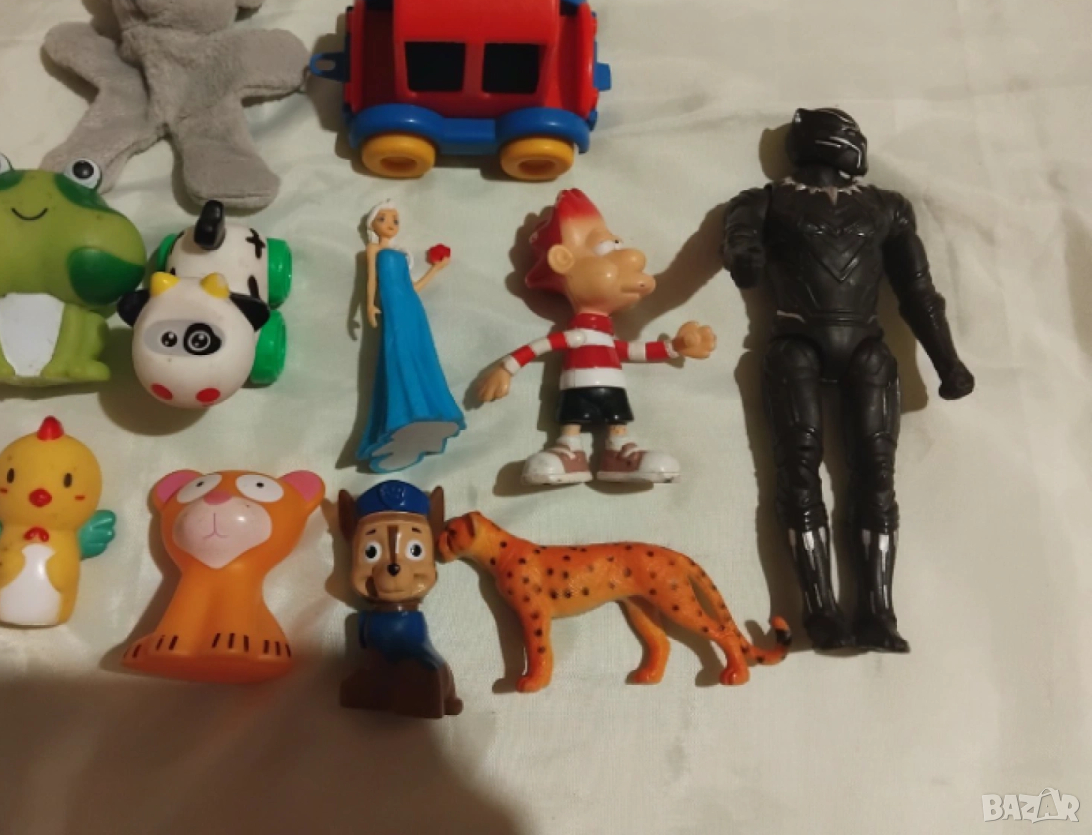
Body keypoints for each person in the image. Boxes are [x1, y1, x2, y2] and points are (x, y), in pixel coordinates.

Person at [722, 107, 975, 652]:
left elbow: (918, 291)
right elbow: (739, 242)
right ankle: (820, 609)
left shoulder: (887, 207)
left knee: (875, 476)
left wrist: (947, 361)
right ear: (835, 142)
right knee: (800, 471)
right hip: (797, 344)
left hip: (863, 346)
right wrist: (744, 256)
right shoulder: (765, 200)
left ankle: (878, 612)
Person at [479, 188, 716, 485]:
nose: (634, 257)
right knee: (572, 418)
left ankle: (618, 453)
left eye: (617, 245)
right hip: (576, 389)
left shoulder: (603, 338)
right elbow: (541, 346)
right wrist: (506, 369)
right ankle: (568, 450)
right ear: (563, 260)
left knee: (618, 421)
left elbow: (630, 350)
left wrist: (675, 346)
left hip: (612, 390)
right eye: (605, 248)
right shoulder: (576, 336)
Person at [356, 201, 464, 472]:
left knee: (420, 352)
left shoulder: (400, 256)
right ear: (372, 224)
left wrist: (435, 269)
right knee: (397, 353)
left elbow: (412, 288)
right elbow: (371, 280)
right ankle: (404, 415)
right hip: (391, 308)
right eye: (383, 218)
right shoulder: (373, 250)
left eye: (395, 219)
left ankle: (426, 410)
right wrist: (369, 305)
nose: (390, 224)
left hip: (411, 307)